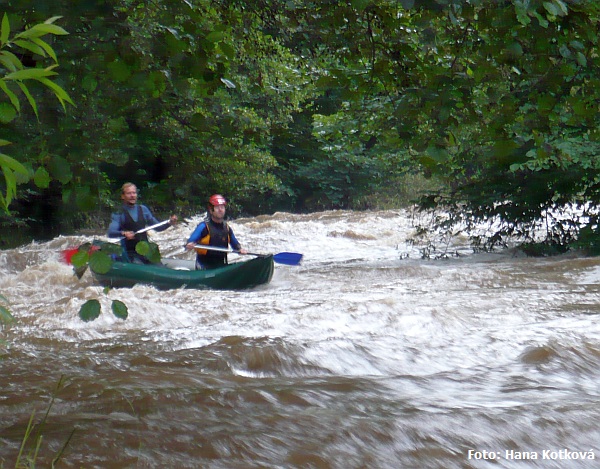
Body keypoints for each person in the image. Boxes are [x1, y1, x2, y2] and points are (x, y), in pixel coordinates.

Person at [107, 182, 178, 263]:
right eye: (129, 193)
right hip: (130, 253)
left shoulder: (143, 209)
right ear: (123, 196)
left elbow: (158, 228)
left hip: (145, 250)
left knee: (159, 266)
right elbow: (111, 233)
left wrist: (169, 223)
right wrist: (124, 233)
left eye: (134, 193)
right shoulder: (119, 213)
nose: (132, 195)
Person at [184, 194, 247, 269]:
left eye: (222, 207)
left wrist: (240, 250)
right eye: (217, 207)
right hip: (204, 266)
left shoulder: (226, 228)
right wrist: (189, 244)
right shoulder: (203, 227)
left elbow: (235, 245)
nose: (220, 210)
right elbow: (191, 241)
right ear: (211, 210)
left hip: (221, 265)